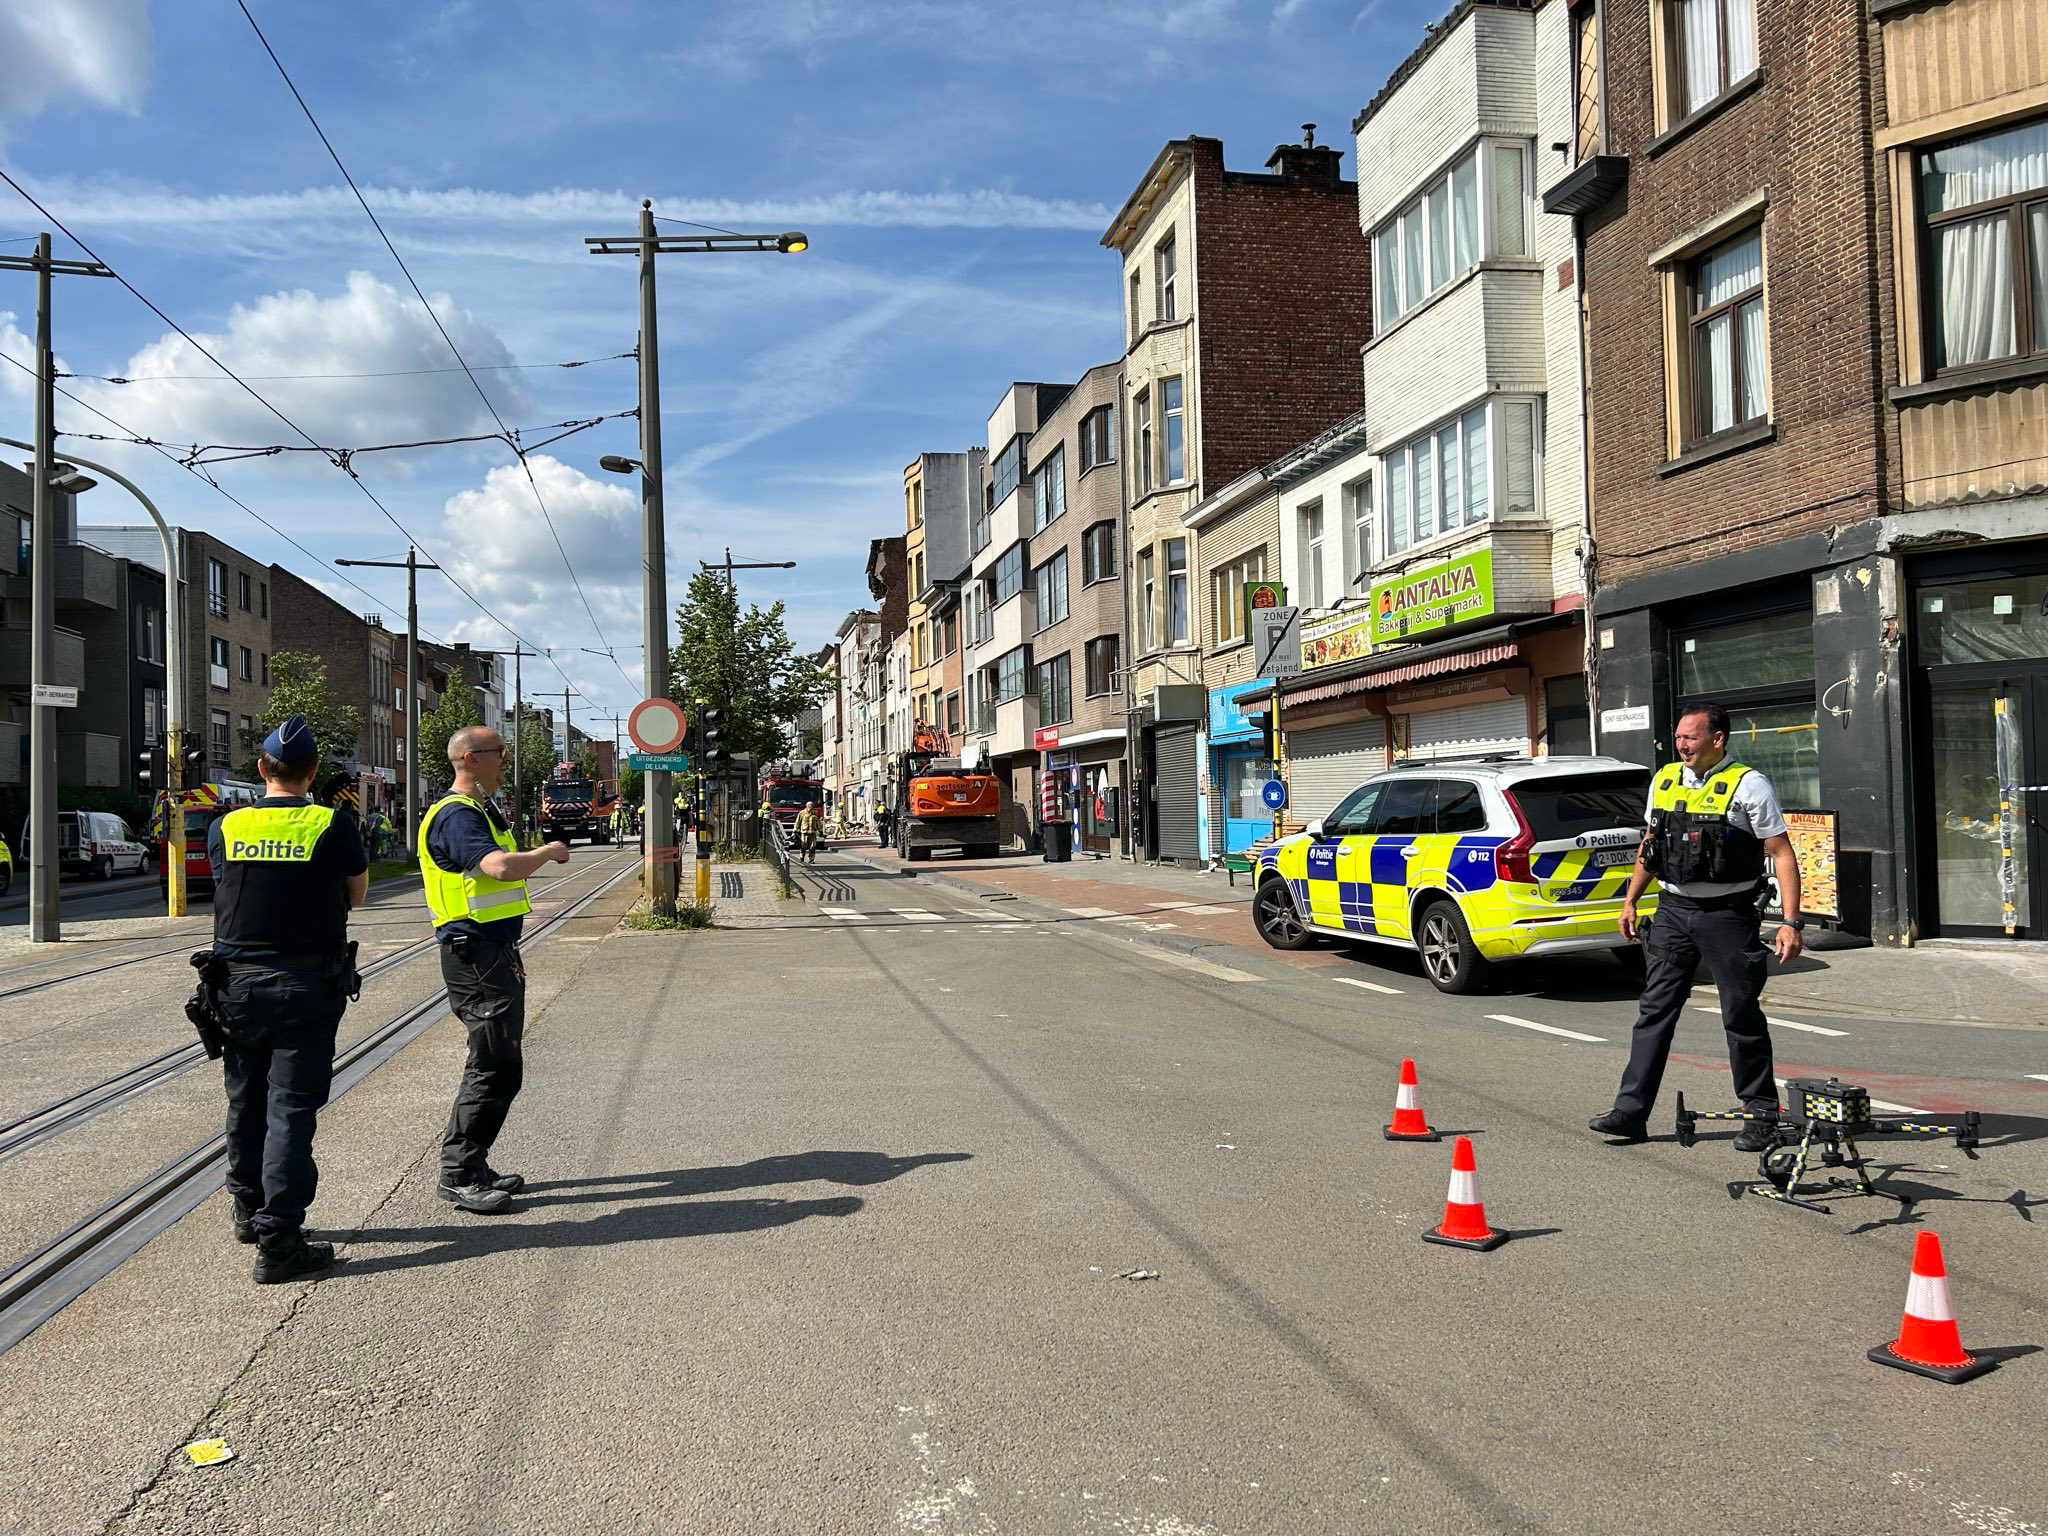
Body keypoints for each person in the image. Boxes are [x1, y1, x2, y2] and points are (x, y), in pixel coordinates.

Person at [1590, 702, 1805, 1148]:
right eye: (1679, 737)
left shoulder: (1749, 785)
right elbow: (1651, 845)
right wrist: (1630, 900)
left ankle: (1761, 1116)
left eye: (1690, 737)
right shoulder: (1665, 779)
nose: (1681, 744)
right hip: (1672, 911)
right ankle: (1630, 1113)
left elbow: (1781, 853)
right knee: (1654, 1011)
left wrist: (1790, 922)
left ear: (1717, 738)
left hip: (1728, 915)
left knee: (1740, 1015)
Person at [206, 715, 368, 1283]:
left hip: (236, 987)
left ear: (260, 769)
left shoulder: (227, 826)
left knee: (245, 1099)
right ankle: (279, 1242)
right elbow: (357, 892)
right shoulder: (334, 823)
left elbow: (226, 885)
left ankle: (248, 1210)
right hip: (304, 984)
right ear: (314, 772)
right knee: (291, 1109)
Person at [419, 725, 570, 1214]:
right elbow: (500, 868)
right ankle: (459, 1173)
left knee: (503, 1064)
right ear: (469, 758)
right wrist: (547, 853)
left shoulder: (479, 810)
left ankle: (473, 1163)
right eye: (498, 753)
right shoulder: (457, 816)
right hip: (475, 954)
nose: (505, 760)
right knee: (493, 1064)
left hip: (492, 950)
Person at [795, 799, 821, 863]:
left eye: (812, 806)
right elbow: (798, 822)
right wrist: (795, 830)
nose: (810, 807)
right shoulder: (802, 813)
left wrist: (820, 830)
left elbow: (817, 822)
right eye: (809, 805)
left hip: (813, 833)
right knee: (803, 846)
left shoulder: (814, 813)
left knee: (812, 847)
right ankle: (802, 857)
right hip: (804, 832)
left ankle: (811, 859)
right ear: (806, 806)